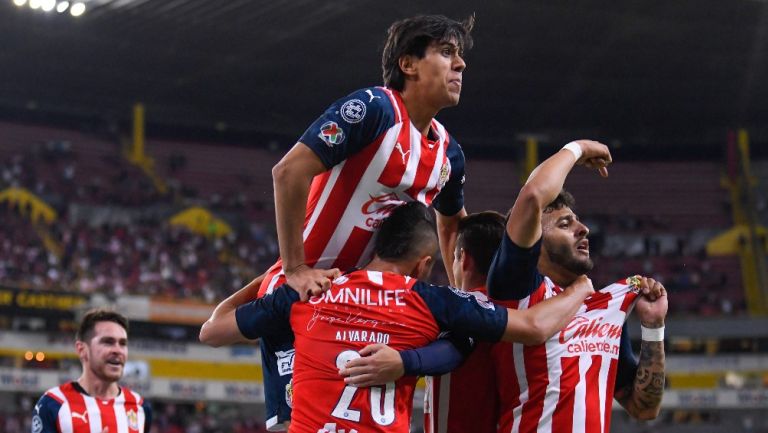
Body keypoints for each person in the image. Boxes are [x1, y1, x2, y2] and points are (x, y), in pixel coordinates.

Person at [218, 14, 476, 431]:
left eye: (460, 56)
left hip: (362, 313)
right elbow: (288, 172)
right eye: (447, 53)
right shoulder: (373, 109)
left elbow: (451, 228)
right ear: (408, 63)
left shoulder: (450, 155)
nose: (460, 65)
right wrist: (296, 268)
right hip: (302, 303)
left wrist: (464, 297)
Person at [200, 201, 599, 433]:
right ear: (425, 265)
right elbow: (534, 327)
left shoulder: (308, 292)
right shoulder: (433, 304)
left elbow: (212, 331)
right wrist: (581, 286)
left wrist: (280, 274)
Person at [486, 140, 668, 432]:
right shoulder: (516, 288)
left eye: (578, 222)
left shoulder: (605, 308)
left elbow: (644, 407)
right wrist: (578, 148)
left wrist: (653, 327)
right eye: (564, 224)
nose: (583, 229)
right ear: (535, 240)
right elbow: (533, 196)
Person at [32, 309, 152, 433]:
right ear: (82, 350)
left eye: (123, 343)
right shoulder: (53, 402)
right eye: (108, 342)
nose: (118, 350)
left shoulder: (140, 406)